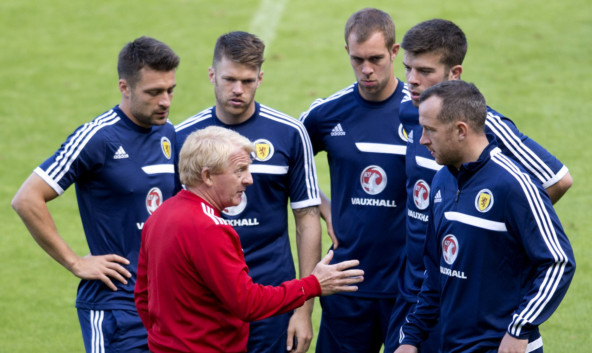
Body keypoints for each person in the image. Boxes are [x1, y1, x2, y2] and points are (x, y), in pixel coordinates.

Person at [384, 19, 573, 352]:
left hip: (490, 322)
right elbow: (435, 261)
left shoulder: (498, 155)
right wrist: (410, 337)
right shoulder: (431, 151)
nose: (412, 81)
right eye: (408, 69)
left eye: (424, 71)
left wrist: (496, 236)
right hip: (427, 295)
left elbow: (557, 184)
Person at [11, 36, 179, 352]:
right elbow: (26, 198)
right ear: (125, 88)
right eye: (154, 92)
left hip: (164, 305)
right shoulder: (97, 138)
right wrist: (75, 262)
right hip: (115, 306)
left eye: (170, 90)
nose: (166, 101)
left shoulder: (169, 133)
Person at [134, 125, 363, 353]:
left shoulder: (159, 215)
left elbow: (143, 297)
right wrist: (312, 284)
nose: (249, 179)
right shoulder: (209, 228)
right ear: (208, 176)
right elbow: (248, 303)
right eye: (240, 170)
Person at [175, 31, 322, 353]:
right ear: (212, 75)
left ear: (260, 77)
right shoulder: (184, 137)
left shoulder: (289, 133)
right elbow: (170, 222)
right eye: (229, 79)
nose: (238, 90)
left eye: (247, 80)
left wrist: (304, 308)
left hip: (273, 291)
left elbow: (308, 217)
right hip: (206, 294)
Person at [299, 8, 407, 352]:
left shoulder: (421, 113)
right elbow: (288, 163)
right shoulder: (327, 113)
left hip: (406, 284)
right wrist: (322, 205)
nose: (366, 69)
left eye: (375, 58)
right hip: (345, 281)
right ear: (346, 52)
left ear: (394, 51)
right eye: (357, 59)